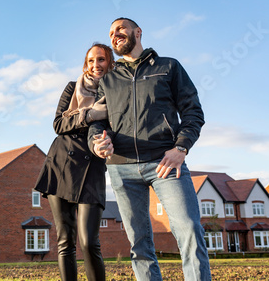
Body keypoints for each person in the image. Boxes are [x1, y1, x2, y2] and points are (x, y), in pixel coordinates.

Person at [88, 17, 211, 281]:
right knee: (139, 243)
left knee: (189, 229)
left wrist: (181, 148)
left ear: (138, 32)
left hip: (166, 163)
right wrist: (97, 142)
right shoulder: (108, 79)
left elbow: (193, 113)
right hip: (122, 168)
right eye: (110, 33)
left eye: (120, 29)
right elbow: (97, 123)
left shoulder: (169, 67)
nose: (114, 35)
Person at [35, 43, 114, 281]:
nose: (95, 65)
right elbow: (59, 124)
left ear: (109, 62)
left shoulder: (117, 91)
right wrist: (89, 115)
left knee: (90, 242)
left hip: (92, 168)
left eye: (100, 59)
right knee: (65, 241)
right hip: (61, 165)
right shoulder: (73, 87)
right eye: (91, 60)